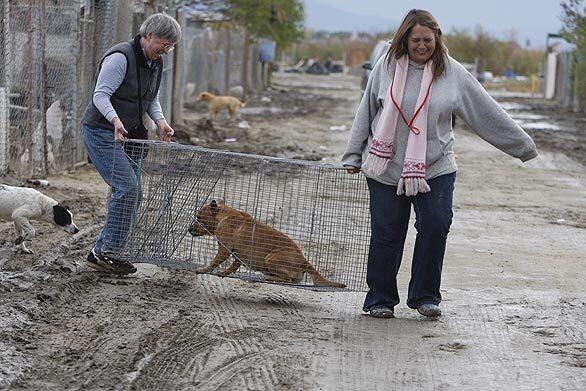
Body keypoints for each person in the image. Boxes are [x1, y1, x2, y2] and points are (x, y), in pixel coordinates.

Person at [342, 9, 537, 318]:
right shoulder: (387, 66)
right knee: (387, 233)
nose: (422, 46)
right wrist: (353, 155)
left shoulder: (452, 73)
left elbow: (485, 111)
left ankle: (425, 296)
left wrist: (523, 147)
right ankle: (380, 298)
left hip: (435, 166)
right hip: (386, 167)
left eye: (428, 41)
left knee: (435, 225)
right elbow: (366, 111)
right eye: (416, 40)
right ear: (404, 40)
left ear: (437, 40)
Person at [81, 13, 181, 274]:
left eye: (171, 46)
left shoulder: (155, 62)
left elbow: (150, 99)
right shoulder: (120, 58)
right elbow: (101, 95)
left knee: (133, 193)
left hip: (132, 134)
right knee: (127, 188)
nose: (166, 51)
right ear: (148, 36)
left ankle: (107, 250)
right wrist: (115, 121)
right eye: (164, 44)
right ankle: (105, 252)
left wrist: (160, 122)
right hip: (103, 131)